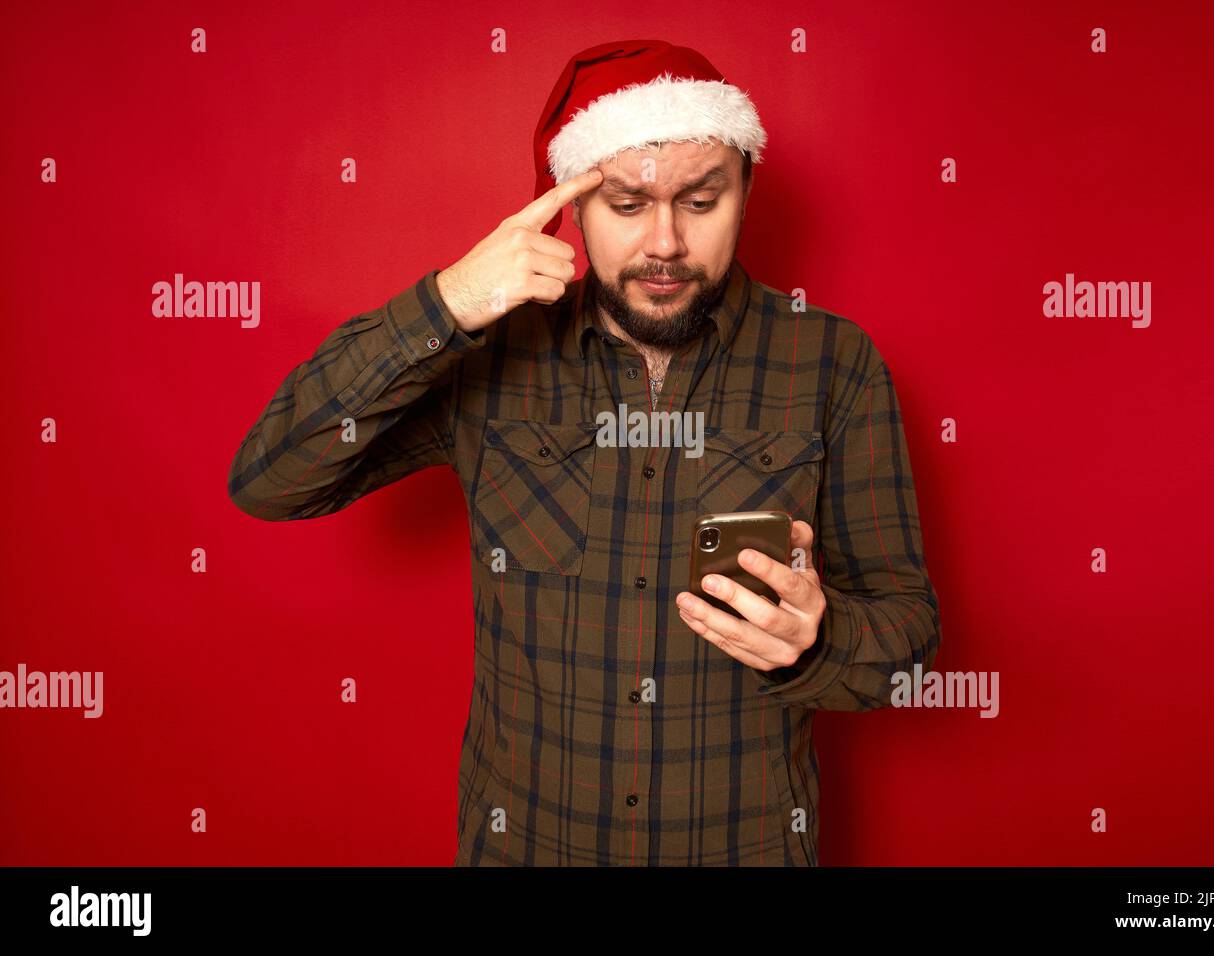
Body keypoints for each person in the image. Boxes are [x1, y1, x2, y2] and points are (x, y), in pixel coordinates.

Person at [227, 39, 942, 866]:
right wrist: (447, 303)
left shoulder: (833, 364)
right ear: (573, 206)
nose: (666, 244)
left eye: (701, 202)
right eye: (628, 205)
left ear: (746, 191)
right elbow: (269, 479)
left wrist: (818, 642)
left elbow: (907, 648)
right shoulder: (491, 352)